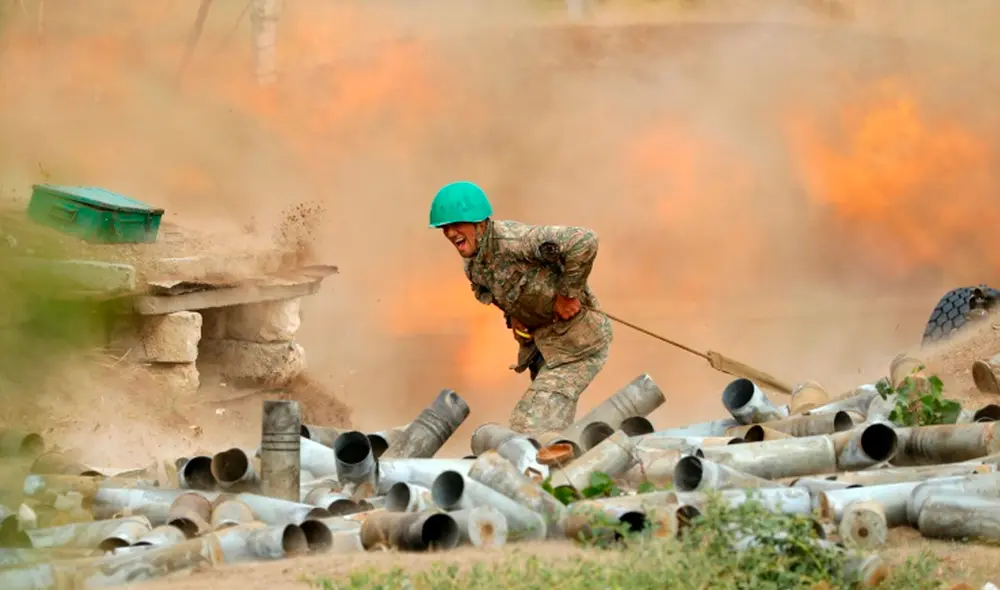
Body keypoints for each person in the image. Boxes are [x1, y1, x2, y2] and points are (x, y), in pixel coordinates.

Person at [428, 180, 613, 435]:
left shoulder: (515, 241)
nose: (449, 233)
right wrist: (515, 317)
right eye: (444, 228)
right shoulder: (475, 265)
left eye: (456, 225)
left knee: (530, 425)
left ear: (480, 222)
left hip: (578, 345)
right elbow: (500, 293)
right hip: (545, 349)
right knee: (552, 431)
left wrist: (567, 295)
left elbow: (584, 241)